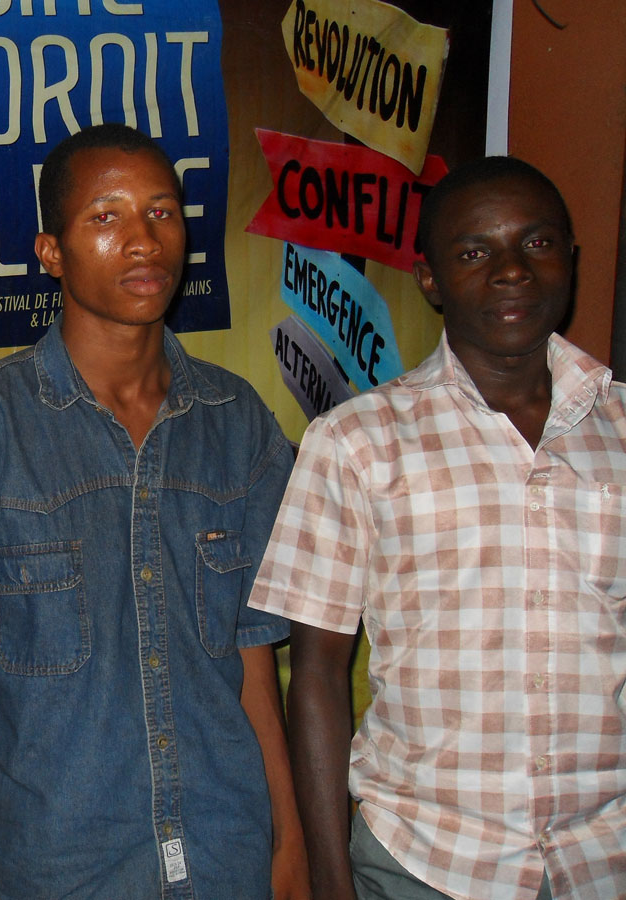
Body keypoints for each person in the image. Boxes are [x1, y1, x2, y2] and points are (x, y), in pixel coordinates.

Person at [0, 123, 310, 900]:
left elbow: (255, 662)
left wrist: (289, 843)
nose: (143, 239)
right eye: (106, 216)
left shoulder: (238, 423)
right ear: (50, 252)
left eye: (161, 212)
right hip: (61, 869)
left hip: (228, 854)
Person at [248, 156, 626, 900]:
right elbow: (317, 675)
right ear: (429, 280)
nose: (512, 271)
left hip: (603, 857)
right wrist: (331, 880)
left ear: (571, 259)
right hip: (424, 863)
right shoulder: (357, 441)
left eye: (537, 243)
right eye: (475, 252)